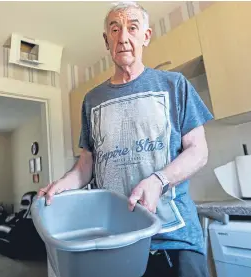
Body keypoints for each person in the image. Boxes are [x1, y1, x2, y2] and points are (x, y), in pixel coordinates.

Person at [38, 2, 213, 276]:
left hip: (174, 237)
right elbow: (86, 164)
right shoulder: (91, 100)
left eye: (132, 28)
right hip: (114, 240)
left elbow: (198, 150)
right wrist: (63, 186)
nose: (123, 37)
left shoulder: (174, 85)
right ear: (106, 41)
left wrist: (159, 180)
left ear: (146, 35)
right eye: (115, 29)